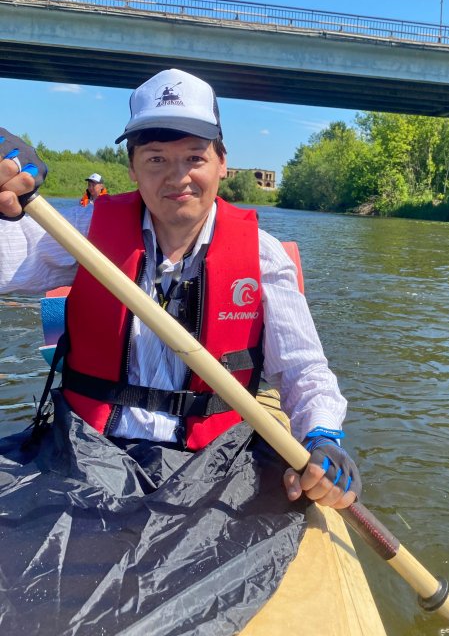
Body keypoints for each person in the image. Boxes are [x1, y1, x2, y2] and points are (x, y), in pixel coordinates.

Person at [0, 68, 361, 510]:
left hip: (212, 461)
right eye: (156, 159)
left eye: (194, 157)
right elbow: (6, 266)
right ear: (133, 167)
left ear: (222, 164)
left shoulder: (263, 256)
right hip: (87, 450)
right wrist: (7, 206)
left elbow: (303, 370)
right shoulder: (84, 231)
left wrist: (321, 434)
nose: (178, 177)